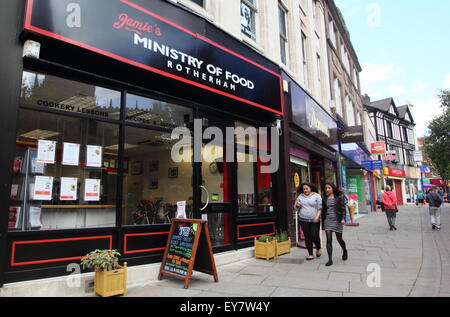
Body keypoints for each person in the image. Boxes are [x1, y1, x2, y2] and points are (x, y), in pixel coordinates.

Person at [322, 183, 348, 267]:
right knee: (328, 239)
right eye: (326, 188)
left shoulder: (339, 196)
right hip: (327, 220)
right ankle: (330, 259)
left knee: (339, 239)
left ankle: (344, 250)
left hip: (337, 220)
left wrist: (343, 218)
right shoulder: (324, 197)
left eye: (329, 188)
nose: (327, 189)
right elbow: (322, 208)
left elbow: (343, 209)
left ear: (332, 188)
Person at [295, 183, 322, 261]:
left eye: (307, 188)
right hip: (303, 219)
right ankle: (310, 254)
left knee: (315, 235)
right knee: (307, 237)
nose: (305, 190)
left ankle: (318, 248)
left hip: (314, 219)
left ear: (310, 188)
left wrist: (317, 216)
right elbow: (296, 209)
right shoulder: (300, 196)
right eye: (304, 189)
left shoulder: (316, 196)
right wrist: (297, 205)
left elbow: (320, 208)